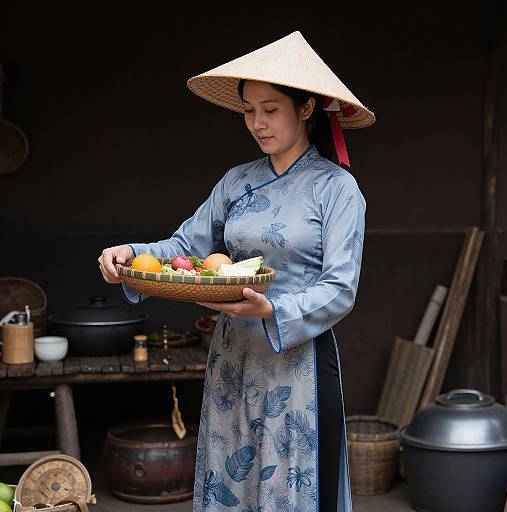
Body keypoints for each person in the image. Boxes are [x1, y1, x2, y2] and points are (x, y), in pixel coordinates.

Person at [98, 31, 375, 512]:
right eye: (249, 111)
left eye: (270, 110)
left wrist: (272, 308)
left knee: (291, 487)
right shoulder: (237, 182)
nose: (257, 123)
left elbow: (340, 287)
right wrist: (130, 253)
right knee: (234, 477)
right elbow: (185, 246)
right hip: (232, 358)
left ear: (306, 107)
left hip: (298, 360)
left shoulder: (337, 189)